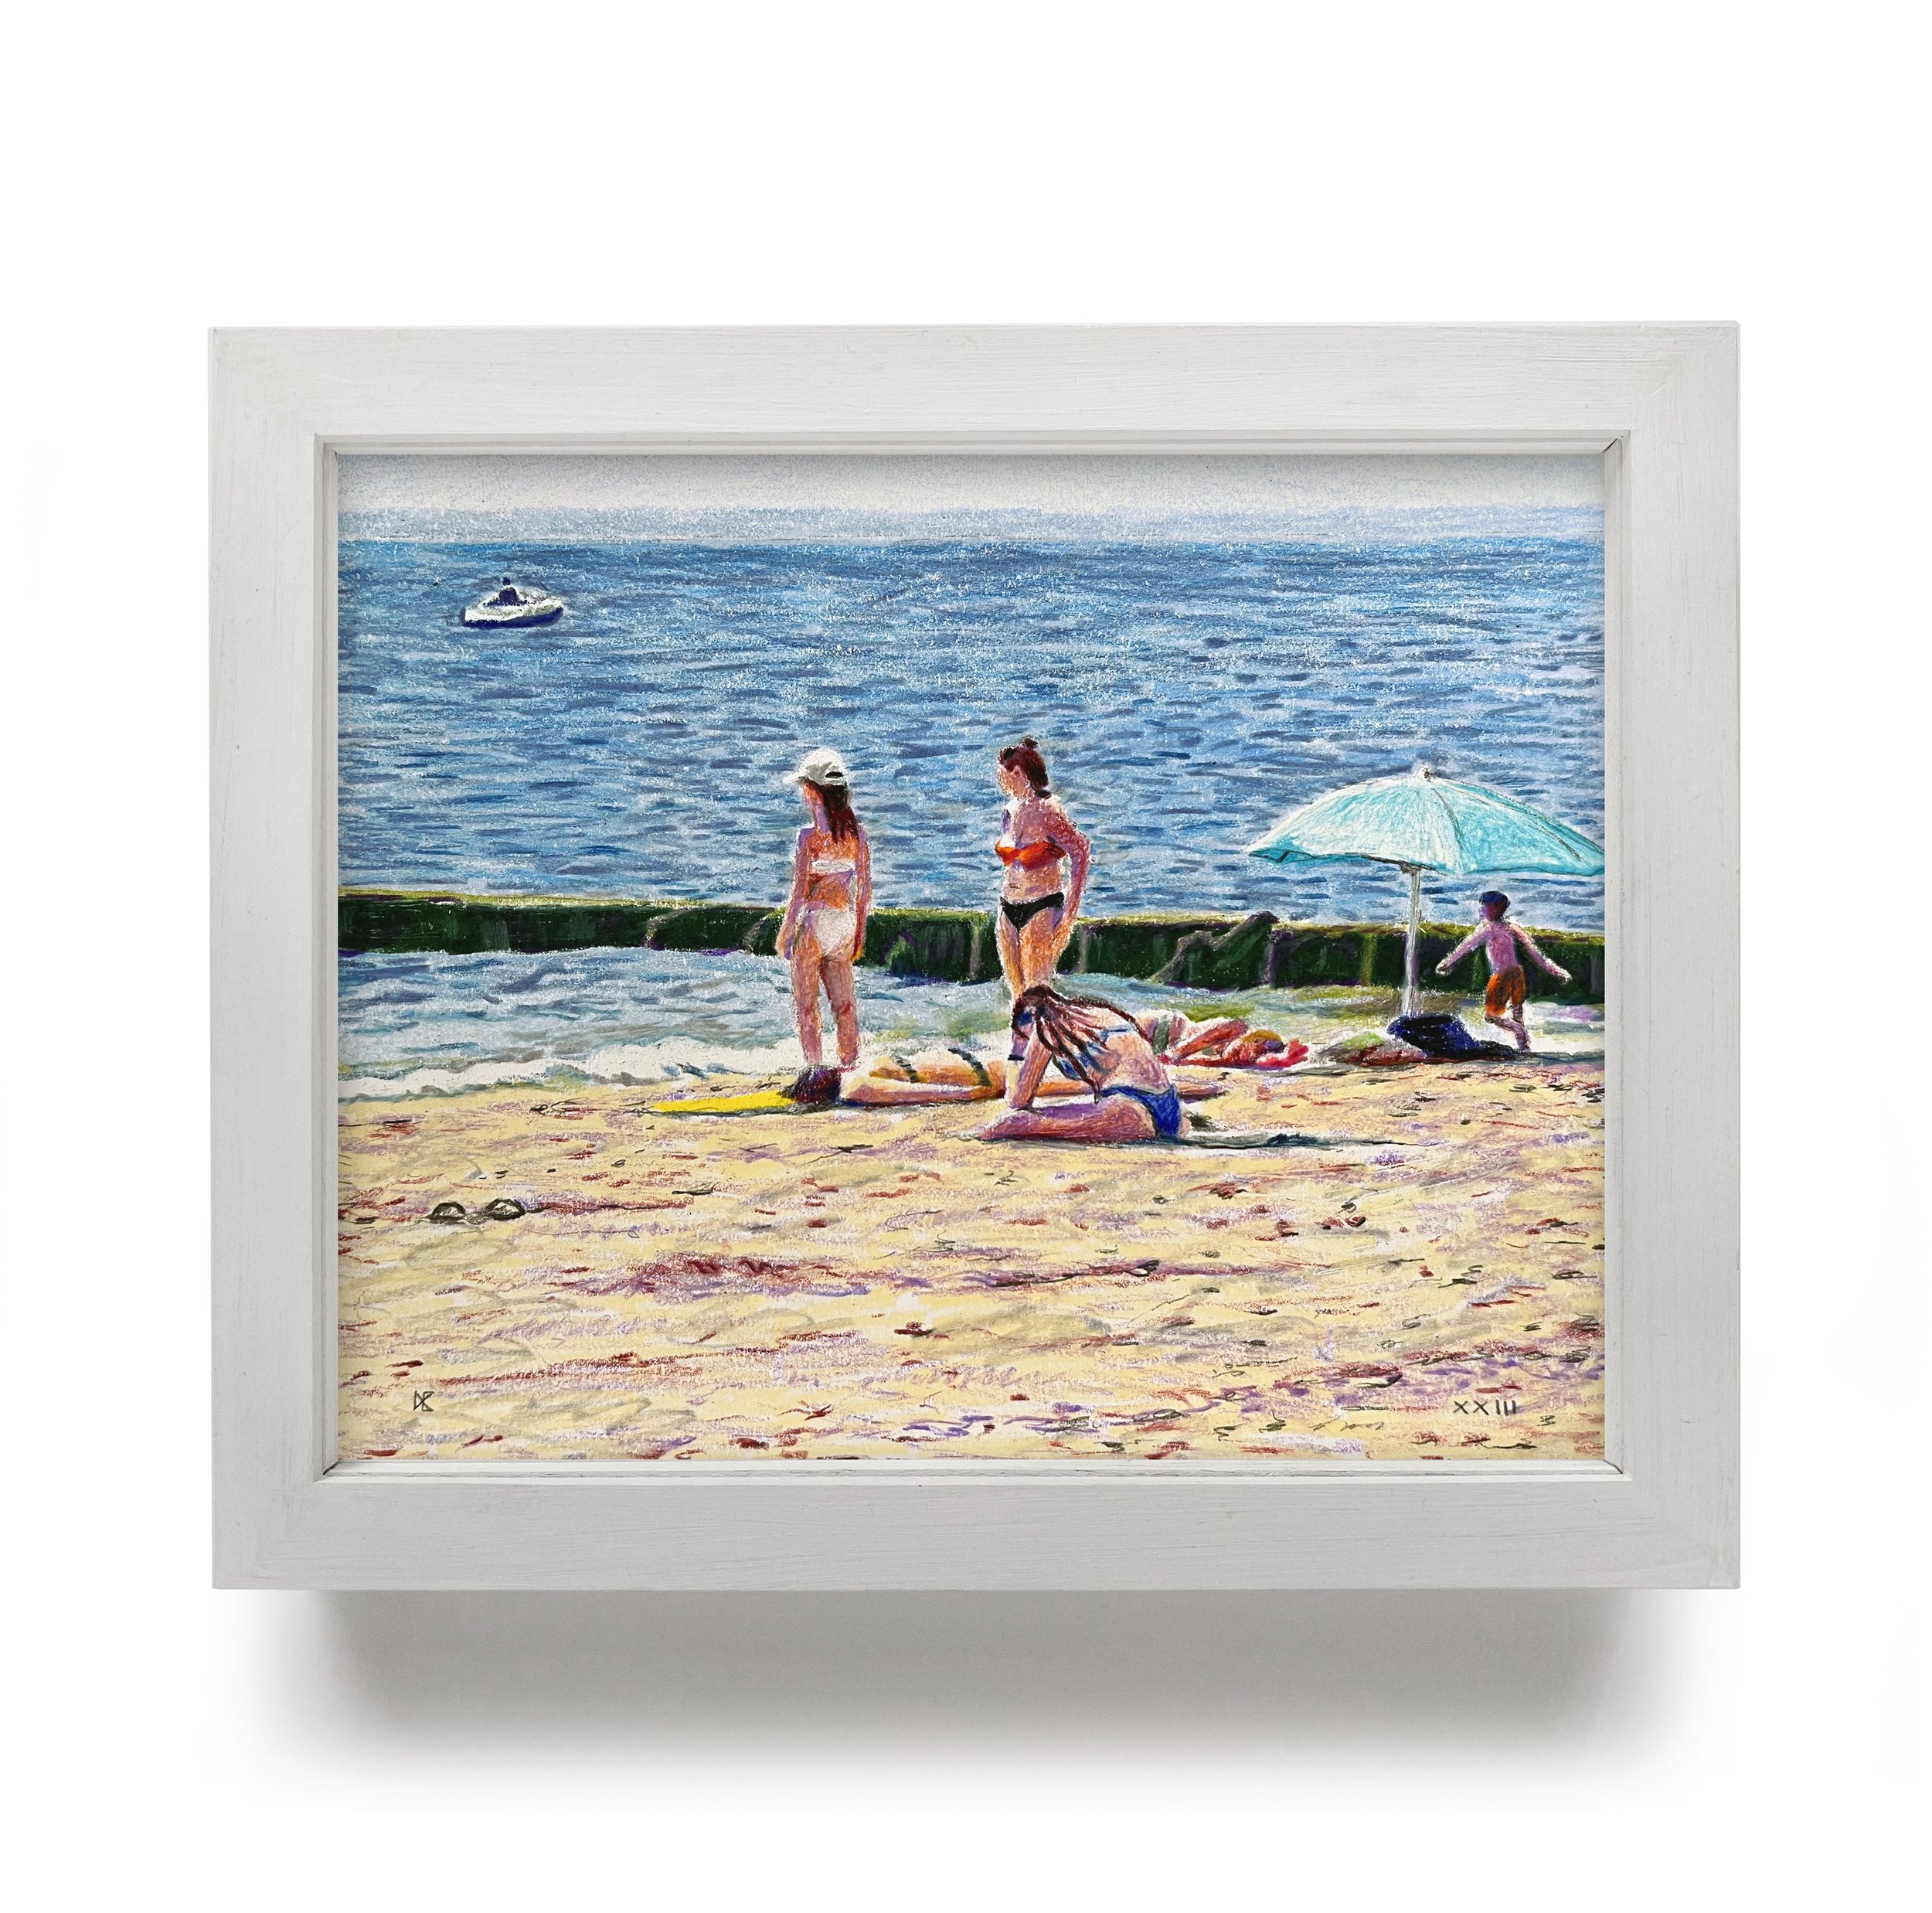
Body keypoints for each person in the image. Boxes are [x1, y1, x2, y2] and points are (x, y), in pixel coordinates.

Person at [980, 983, 1185, 1142]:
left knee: (1016, 1122)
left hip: (1130, 1111)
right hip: (1170, 1109)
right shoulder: (1099, 1013)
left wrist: (1016, 1051)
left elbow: (1018, 1101)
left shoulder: (1044, 1030)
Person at [777, 747, 872, 1084]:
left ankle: (815, 1070)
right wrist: (860, 932)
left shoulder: (809, 838)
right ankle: (850, 1068)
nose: (803, 793)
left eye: (805, 787)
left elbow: (800, 893)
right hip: (843, 921)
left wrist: (786, 932)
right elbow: (864, 891)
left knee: (807, 1006)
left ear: (815, 791)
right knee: (844, 1005)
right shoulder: (857, 834)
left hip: (816, 923)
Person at [993, 737, 1090, 994]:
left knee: (1036, 994)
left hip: (1041, 906)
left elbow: (1080, 851)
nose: (1000, 780)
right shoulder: (1009, 811)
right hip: (1008, 906)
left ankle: (1042, 1034)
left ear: (1016, 773)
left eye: (1002, 774)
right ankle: (1017, 1036)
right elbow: (1012, 858)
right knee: (1016, 995)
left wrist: (1069, 914)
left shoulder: (1048, 808)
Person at [1434, 889, 1571, 1053]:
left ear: (1494, 908)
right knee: (1517, 1013)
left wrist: (1447, 963)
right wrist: (1556, 971)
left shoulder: (1488, 928)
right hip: (1517, 973)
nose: (1481, 910)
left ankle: (1520, 1032)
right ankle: (1524, 1048)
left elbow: (1466, 946)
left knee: (1491, 1016)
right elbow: (1535, 953)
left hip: (1502, 975)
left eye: (1483, 906)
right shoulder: (1511, 928)